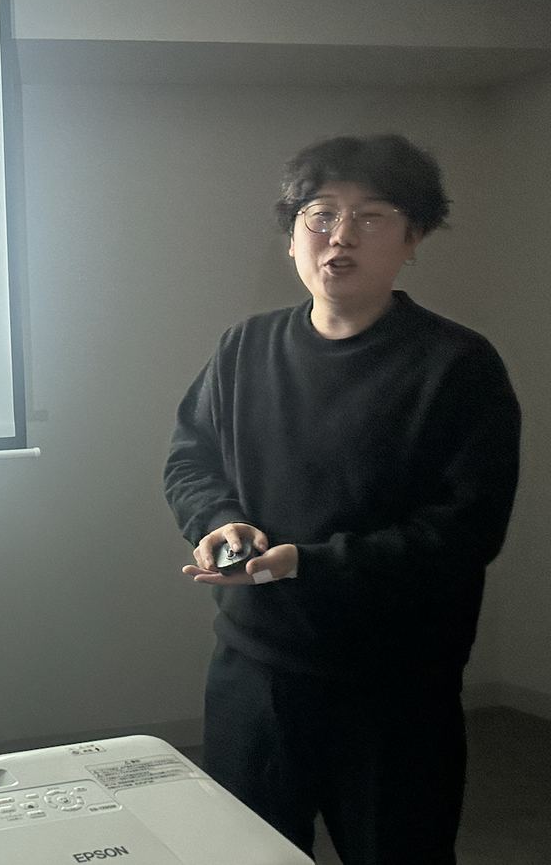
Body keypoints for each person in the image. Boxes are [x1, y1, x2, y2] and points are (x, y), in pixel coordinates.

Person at [163, 134, 521, 865]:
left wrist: (310, 564)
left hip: (396, 687)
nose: (341, 235)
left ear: (413, 238)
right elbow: (190, 459)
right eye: (320, 214)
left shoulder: (458, 365)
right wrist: (219, 521)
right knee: (248, 856)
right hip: (255, 672)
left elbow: (465, 529)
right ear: (293, 235)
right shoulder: (244, 348)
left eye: (372, 215)